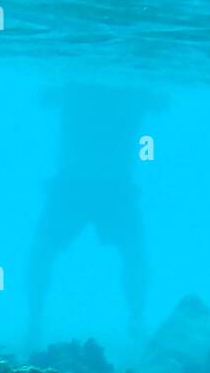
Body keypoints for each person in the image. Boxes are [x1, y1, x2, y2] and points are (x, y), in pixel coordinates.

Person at [26, 83, 162, 352]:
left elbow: (45, 97)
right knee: (43, 253)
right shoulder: (125, 83)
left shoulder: (82, 81)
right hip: (82, 185)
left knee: (133, 255)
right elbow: (162, 102)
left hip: (103, 186)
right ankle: (34, 320)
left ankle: (136, 321)